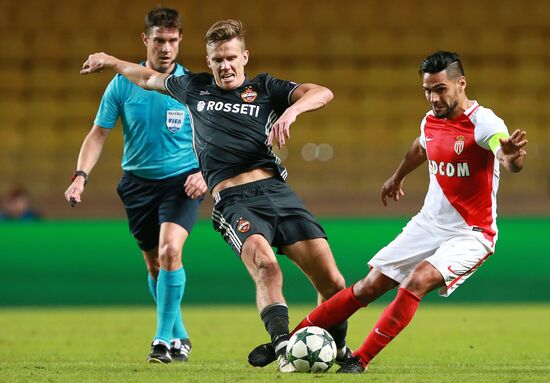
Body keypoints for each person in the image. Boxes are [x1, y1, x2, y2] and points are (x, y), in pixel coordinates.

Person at [80, 19, 350, 372]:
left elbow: (323, 92)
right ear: (208, 62)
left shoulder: (266, 88)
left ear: (244, 57)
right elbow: (146, 78)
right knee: (265, 266)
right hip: (234, 200)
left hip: (278, 192)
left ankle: (338, 349)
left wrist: (292, 110)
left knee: (334, 283)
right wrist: (111, 61)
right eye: (218, 60)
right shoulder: (193, 88)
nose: (225, 66)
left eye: (231, 58)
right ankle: (284, 346)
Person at [280, 51, 528, 373]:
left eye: (440, 89)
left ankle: (359, 360)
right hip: (428, 224)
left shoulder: (485, 123)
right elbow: (420, 147)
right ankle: (288, 343)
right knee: (368, 286)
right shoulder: (430, 120)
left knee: (417, 281)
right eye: (427, 90)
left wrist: (511, 157)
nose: (433, 97)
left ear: (460, 83)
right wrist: (397, 176)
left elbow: (506, 156)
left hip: (472, 233)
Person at [64, 7, 207, 364]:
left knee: (170, 251)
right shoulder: (122, 84)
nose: (166, 47)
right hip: (137, 185)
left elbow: (215, 138)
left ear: (180, 41)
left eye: (173, 40)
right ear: (146, 40)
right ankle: (179, 334)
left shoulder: (191, 86)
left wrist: (204, 173)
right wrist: (80, 177)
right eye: (159, 40)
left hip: (182, 182)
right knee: (155, 266)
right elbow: (98, 134)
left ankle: (161, 340)